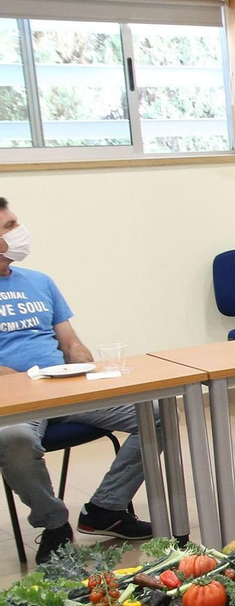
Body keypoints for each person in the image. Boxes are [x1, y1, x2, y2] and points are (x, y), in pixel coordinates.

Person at [0, 199, 153, 563]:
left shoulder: (40, 281)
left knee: (157, 413)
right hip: (15, 398)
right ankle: (54, 523)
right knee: (14, 438)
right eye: (9, 227)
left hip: (64, 387)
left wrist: (86, 370)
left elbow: (69, 341)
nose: (20, 231)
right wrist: (22, 382)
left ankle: (106, 508)